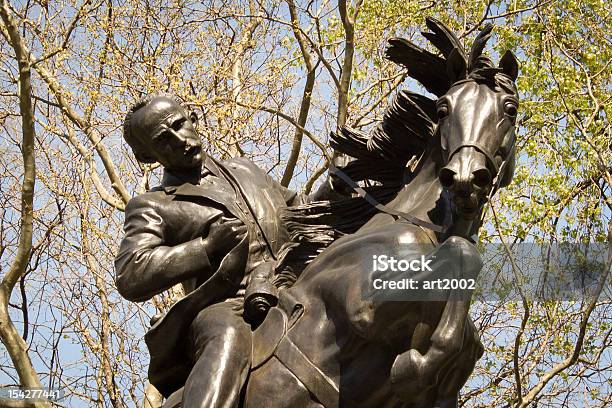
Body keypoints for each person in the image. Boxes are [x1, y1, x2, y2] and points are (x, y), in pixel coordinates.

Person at [114, 94, 342, 406]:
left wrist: (337, 187)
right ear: (146, 156)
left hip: (294, 281)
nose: (180, 139)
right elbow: (131, 273)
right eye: (164, 140)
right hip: (228, 306)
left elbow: (299, 210)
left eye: (180, 124)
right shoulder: (153, 205)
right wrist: (206, 247)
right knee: (228, 338)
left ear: (193, 118)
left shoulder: (245, 169)